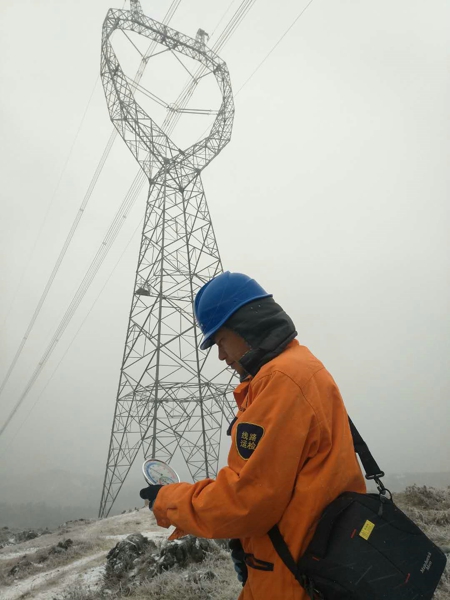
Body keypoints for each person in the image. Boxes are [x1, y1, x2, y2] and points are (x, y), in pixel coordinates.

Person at [140, 272, 366, 600]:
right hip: (321, 562)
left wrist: (168, 500)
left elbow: (245, 503)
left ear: (247, 326)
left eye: (220, 341)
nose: (220, 356)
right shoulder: (303, 367)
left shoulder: (279, 382)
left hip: (295, 580)